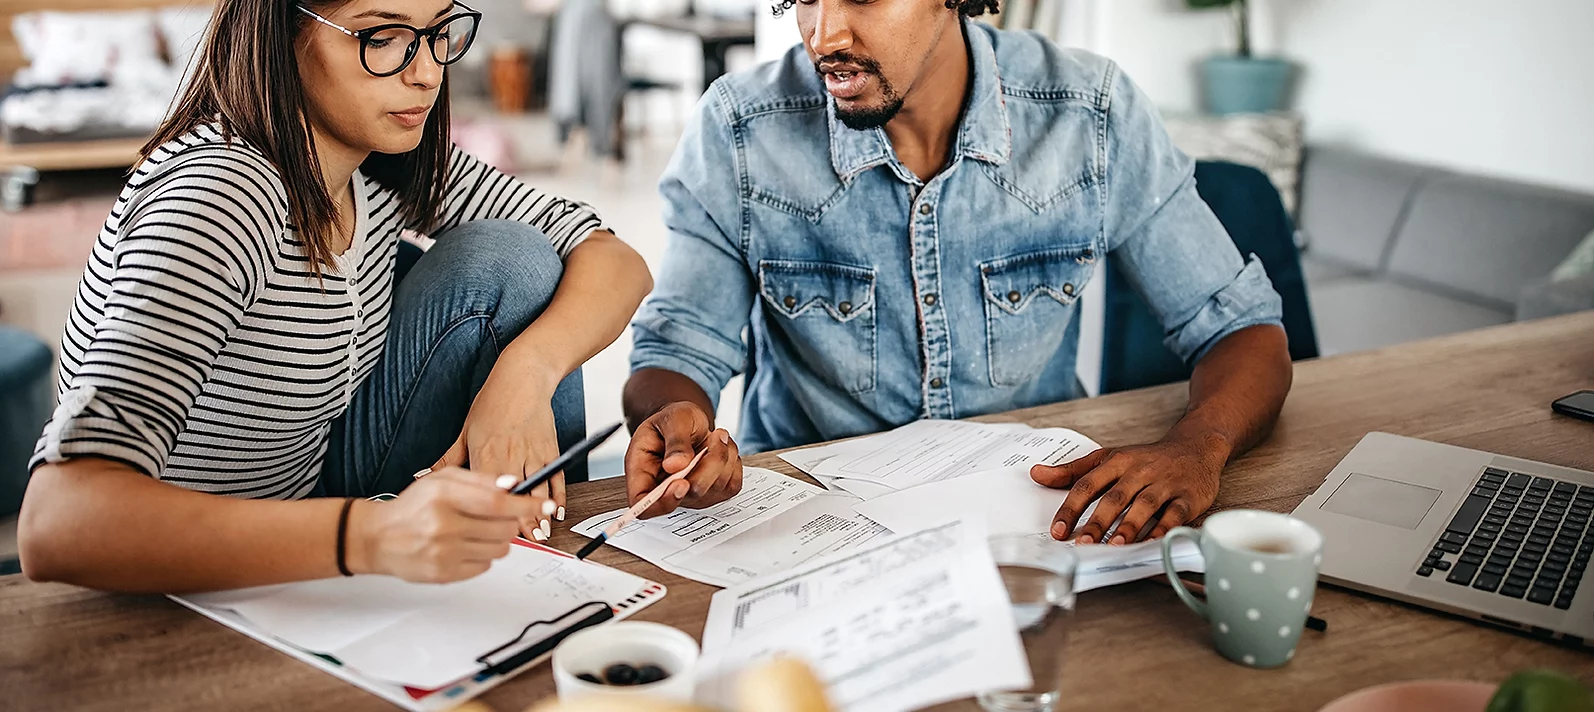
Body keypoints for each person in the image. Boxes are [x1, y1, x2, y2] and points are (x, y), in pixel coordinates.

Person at [18, 0, 652, 592]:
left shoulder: (378, 160)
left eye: (438, 32)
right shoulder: (217, 199)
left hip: (315, 482)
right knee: (509, 262)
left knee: (519, 264)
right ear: (285, 32)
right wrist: (372, 536)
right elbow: (55, 522)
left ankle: (552, 575)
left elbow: (615, 260)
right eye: (385, 37)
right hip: (192, 559)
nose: (427, 73)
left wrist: (523, 378)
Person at [620, 0, 1293, 544]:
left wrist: (1197, 446)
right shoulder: (740, 128)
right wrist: (677, 421)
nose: (824, 32)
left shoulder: (1087, 113)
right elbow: (677, 350)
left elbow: (1242, 332)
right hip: (808, 530)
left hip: (1036, 524)